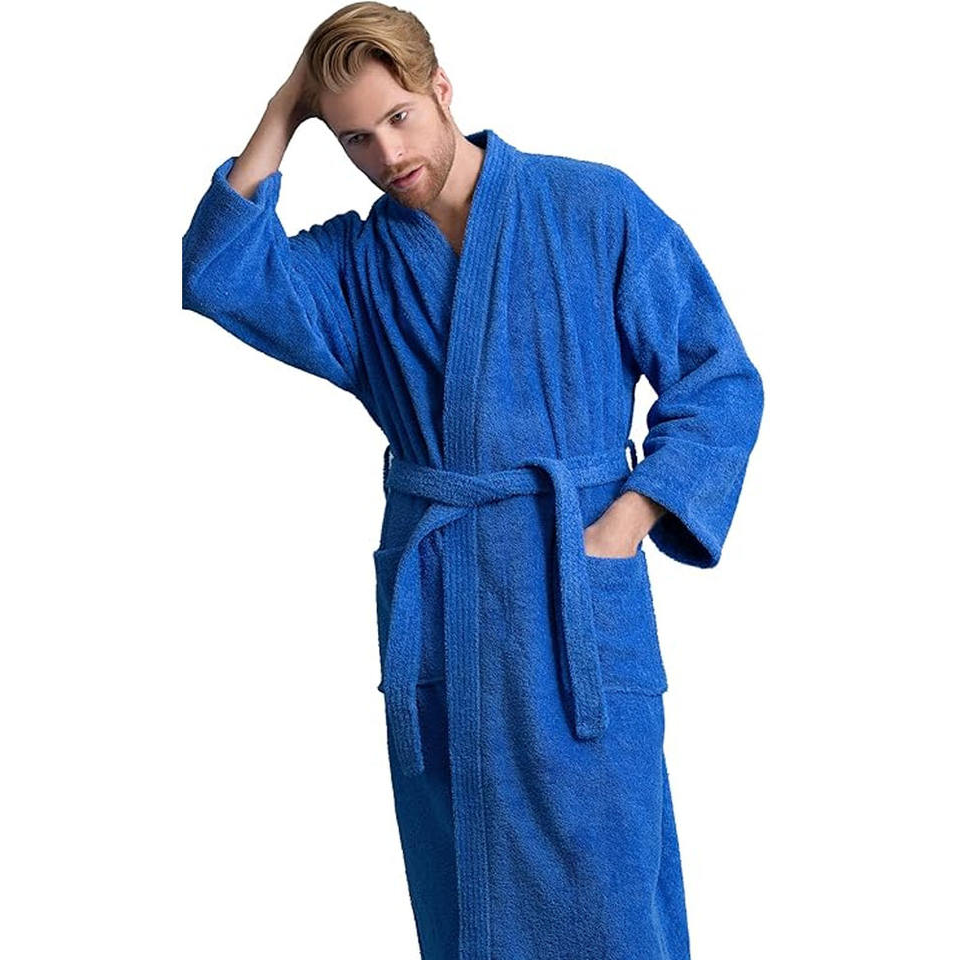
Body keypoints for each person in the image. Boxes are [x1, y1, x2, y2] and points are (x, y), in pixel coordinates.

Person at [181, 3, 765, 958]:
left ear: (443, 88)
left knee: (614, 888)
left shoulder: (593, 207)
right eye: (355, 139)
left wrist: (627, 518)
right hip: (446, 607)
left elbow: (718, 378)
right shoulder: (356, 266)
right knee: (465, 899)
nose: (387, 155)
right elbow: (218, 272)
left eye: (400, 117)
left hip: (574, 596)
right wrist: (288, 105)